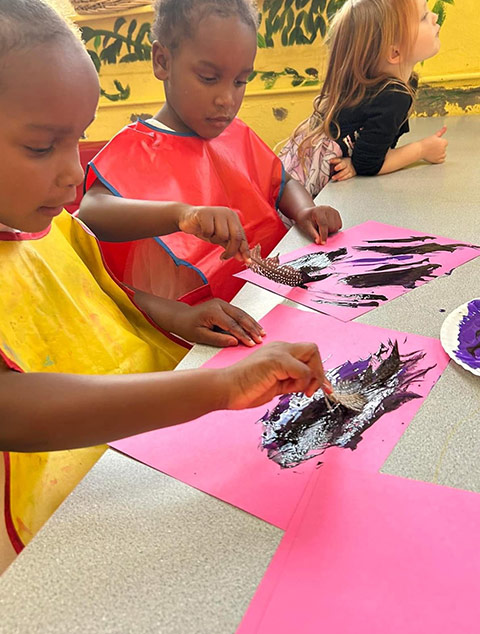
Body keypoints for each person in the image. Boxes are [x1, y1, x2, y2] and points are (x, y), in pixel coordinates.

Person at [0, 0, 332, 573]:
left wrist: (174, 317)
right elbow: (14, 410)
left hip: (129, 457)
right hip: (52, 528)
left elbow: (93, 292)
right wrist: (219, 389)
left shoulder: (43, 225)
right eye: (40, 146)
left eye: (75, 139)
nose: (74, 173)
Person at [78, 0, 342, 304]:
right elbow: (91, 212)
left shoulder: (237, 134)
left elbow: (283, 183)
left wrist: (305, 211)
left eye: (240, 81)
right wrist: (182, 215)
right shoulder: (135, 145)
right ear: (162, 61)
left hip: (269, 298)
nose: (226, 99)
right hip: (195, 319)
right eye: (208, 78)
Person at [280, 0, 448, 198]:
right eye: (423, 17)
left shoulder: (385, 85)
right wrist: (422, 149)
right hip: (313, 195)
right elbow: (369, 163)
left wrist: (356, 164)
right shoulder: (394, 96)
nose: (434, 17)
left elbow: (366, 157)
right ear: (394, 52)